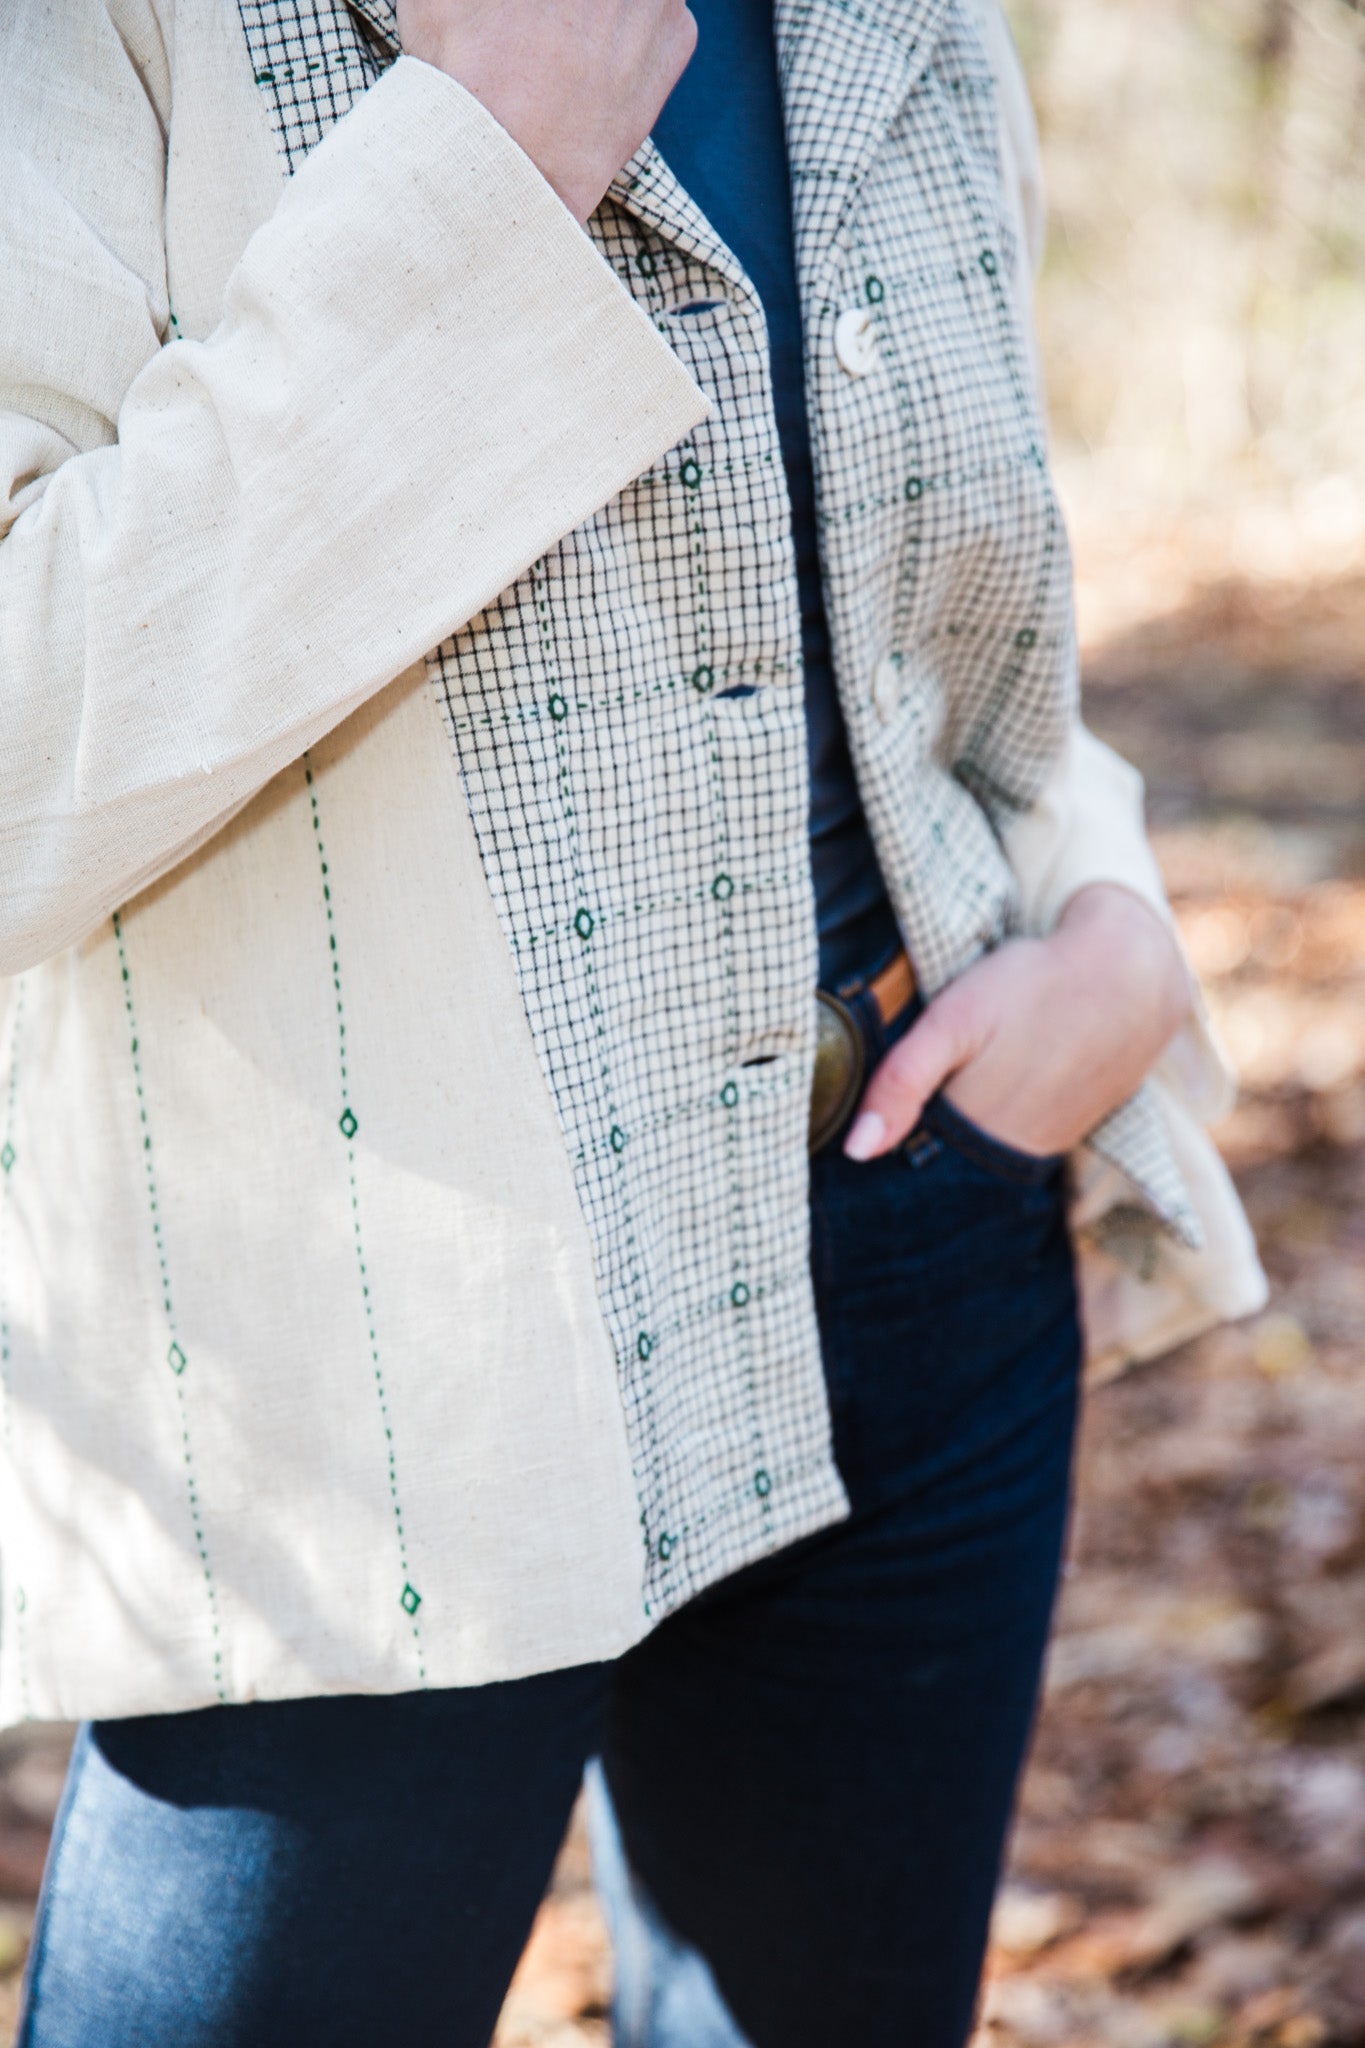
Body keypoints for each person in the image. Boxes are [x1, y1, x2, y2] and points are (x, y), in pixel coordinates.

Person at [0, 0, 1266, 2042]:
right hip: (375, 1356)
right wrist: (473, 192)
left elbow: (941, 580)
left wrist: (1106, 912)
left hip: (919, 1243)